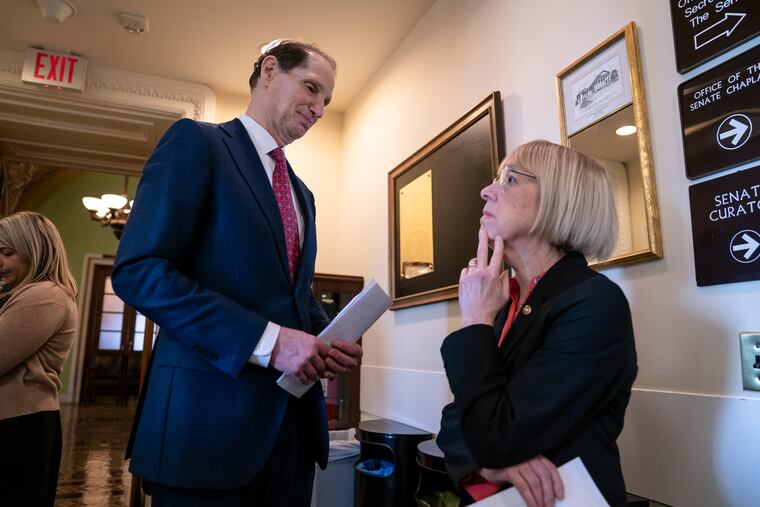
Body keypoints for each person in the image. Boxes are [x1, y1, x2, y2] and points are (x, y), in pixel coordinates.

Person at [111, 39, 362, 506]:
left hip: (291, 437)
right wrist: (269, 342)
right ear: (269, 70)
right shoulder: (197, 143)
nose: (319, 108)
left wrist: (326, 338)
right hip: (203, 433)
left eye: (327, 100)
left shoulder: (302, 194)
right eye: (311, 88)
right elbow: (139, 271)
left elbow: (291, 293)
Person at [437, 140, 637, 507]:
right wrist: (491, 466)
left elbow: (497, 435)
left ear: (559, 200)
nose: (486, 190)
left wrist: (474, 320)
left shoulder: (594, 303)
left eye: (510, 179)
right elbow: (453, 422)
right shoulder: (505, 302)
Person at [0, 211, 78, 507]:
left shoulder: (45, 295)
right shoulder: (25, 293)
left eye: (7, 252)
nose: (0, 261)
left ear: (35, 250)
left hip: (19, 424)